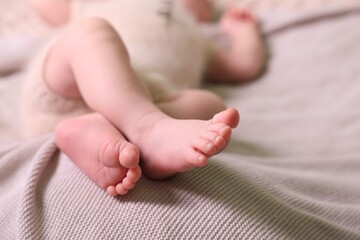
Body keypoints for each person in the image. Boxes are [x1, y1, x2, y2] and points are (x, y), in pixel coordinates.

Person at [24, 0, 265, 196]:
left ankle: (111, 131)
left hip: (149, 98)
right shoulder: (97, 4)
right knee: (90, 31)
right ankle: (148, 128)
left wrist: (241, 31)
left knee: (211, 106)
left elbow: (242, 66)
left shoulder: (202, 41)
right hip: (72, 83)